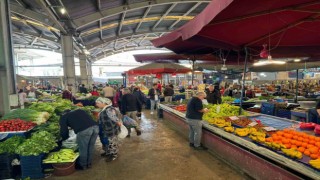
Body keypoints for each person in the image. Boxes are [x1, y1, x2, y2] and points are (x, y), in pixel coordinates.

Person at [95, 97, 121, 162]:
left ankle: (113, 155)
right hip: (107, 129)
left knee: (112, 143)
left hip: (112, 129)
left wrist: (118, 123)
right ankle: (109, 153)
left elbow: (114, 118)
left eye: (98, 103)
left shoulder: (109, 109)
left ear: (103, 103)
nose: (96, 104)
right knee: (109, 142)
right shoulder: (104, 108)